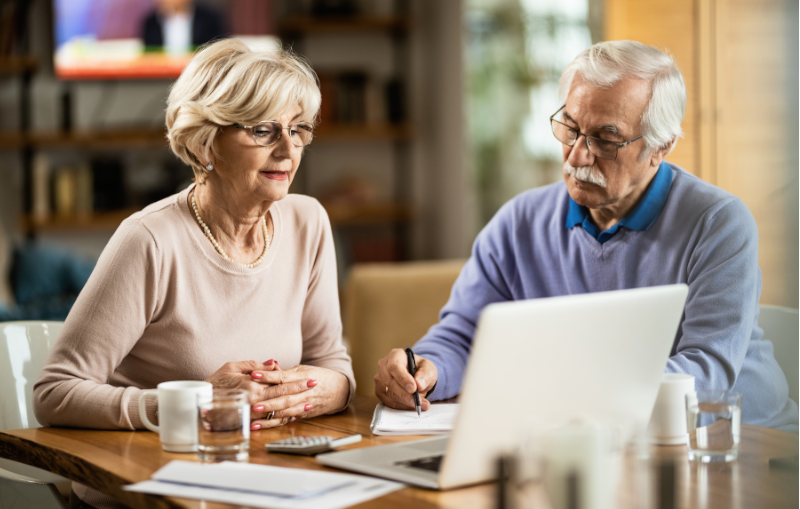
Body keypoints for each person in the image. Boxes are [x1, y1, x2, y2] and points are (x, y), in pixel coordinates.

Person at [374, 40, 800, 433]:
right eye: (570, 127)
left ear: (661, 147)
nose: (577, 154)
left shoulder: (718, 223)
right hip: (594, 437)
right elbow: (465, 333)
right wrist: (427, 370)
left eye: (605, 138)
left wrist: (566, 393)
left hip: (744, 441)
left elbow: (704, 373)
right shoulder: (518, 222)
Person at [34, 39, 354, 507]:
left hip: (261, 480)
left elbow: (332, 363)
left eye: (298, 129)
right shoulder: (149, 240)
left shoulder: (309, 222)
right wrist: (193, 401)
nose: (289, 150)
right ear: (205, 142)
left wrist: (330, 389)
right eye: (264, 130)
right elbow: (54, 394)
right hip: (147, 491)